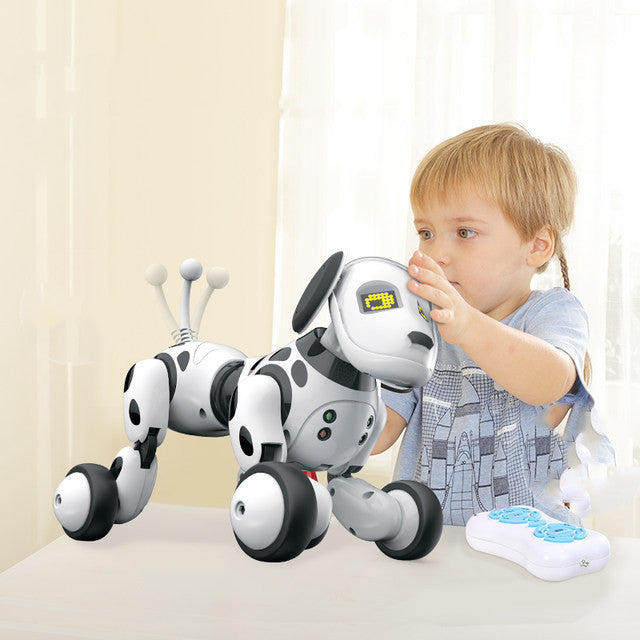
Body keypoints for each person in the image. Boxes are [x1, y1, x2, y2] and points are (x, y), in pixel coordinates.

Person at [372, 123, 615, 526]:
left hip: (531, 548)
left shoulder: (553, 312)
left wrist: (468, 326)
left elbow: (550, 382)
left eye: (464, 232)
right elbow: (377, 435)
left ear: (537, 246)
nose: (437, 253)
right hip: (432, 545)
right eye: (426, 233)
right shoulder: (422, 330)